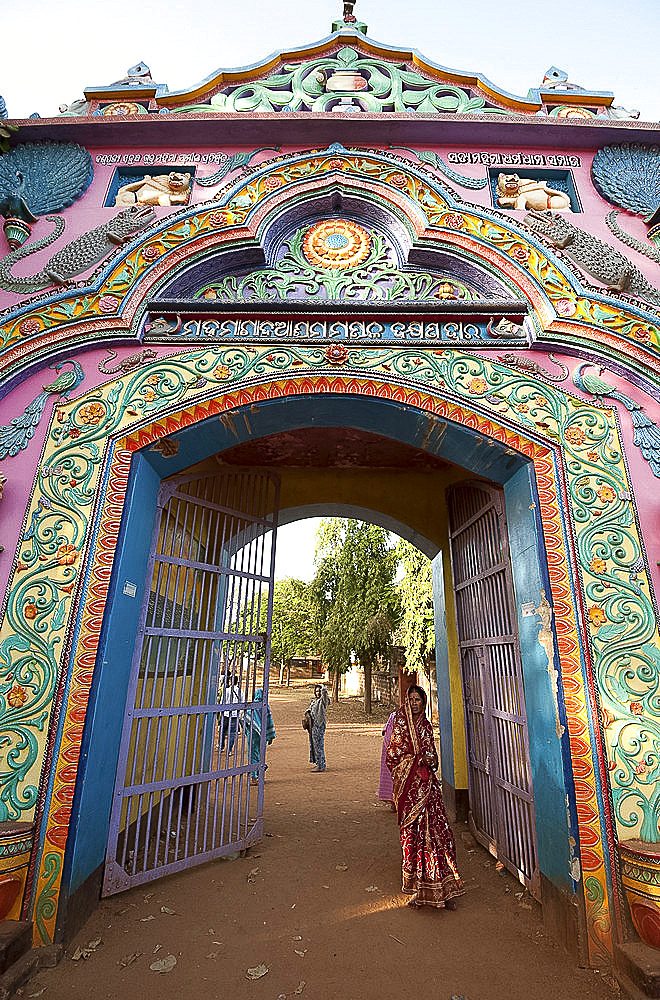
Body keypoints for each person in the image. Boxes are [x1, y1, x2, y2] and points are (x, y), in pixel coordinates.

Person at [386, 684, 465, 909]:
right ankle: (417, 890)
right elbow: (392, 757)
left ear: (424, 702)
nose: (413, 703)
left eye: (417, 700)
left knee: (440, 835)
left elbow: (433, 756)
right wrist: (414, 760)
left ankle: (445, 888)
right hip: (410, 791)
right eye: (410, 699)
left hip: (428, 790)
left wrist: (428, 759)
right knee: (414, 839)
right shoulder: (400, 727)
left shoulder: (427, 727)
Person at [245, 688, 276, 785]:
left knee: (252, 755)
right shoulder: (265, 706)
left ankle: (254, 777)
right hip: (262, 736)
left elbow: (245, 719)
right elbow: (269, 721)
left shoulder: (252, 706)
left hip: (253, 734)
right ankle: (260, 774)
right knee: (260, 754)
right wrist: (270, 736)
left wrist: (247, 731)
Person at [378, 709, 397, 811]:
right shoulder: (395, 716)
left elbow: (384, 732)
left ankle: (394, 802)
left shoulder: (394, 715)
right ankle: (394, 801)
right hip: (393, 749)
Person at [308, 683, 329, 772]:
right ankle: (318, 763)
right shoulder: (314, 701)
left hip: (319, 725)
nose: (318, 693)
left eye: (319, 691)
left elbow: (325, 693)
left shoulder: (323, 701)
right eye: (317, 691)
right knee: (314, 745)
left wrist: (323, 687)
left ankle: (321, 766)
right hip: (313, 725)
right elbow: (310, 709)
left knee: (319, 745)